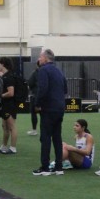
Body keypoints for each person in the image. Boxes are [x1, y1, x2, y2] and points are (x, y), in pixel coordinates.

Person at [32, 48, 67, 176]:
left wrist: (37, 104)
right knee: (57, 137)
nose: (38, 59)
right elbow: (65, 88)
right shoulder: (59, 71)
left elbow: (43, 89)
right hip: (59, 107)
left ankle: (45, 167)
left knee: (45, 137)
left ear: (46, 58)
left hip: (48, 108)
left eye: (40, 57)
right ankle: (59, 167)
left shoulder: (43, 70)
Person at [0, 57, 19, 154]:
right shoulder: (5, 76)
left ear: (2, 64)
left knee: (11, 126)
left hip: (10, 105)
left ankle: (13, 148)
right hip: (5, 104)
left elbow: (11, 93)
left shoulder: (8, 77)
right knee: (4, 126)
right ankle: (4, 146)